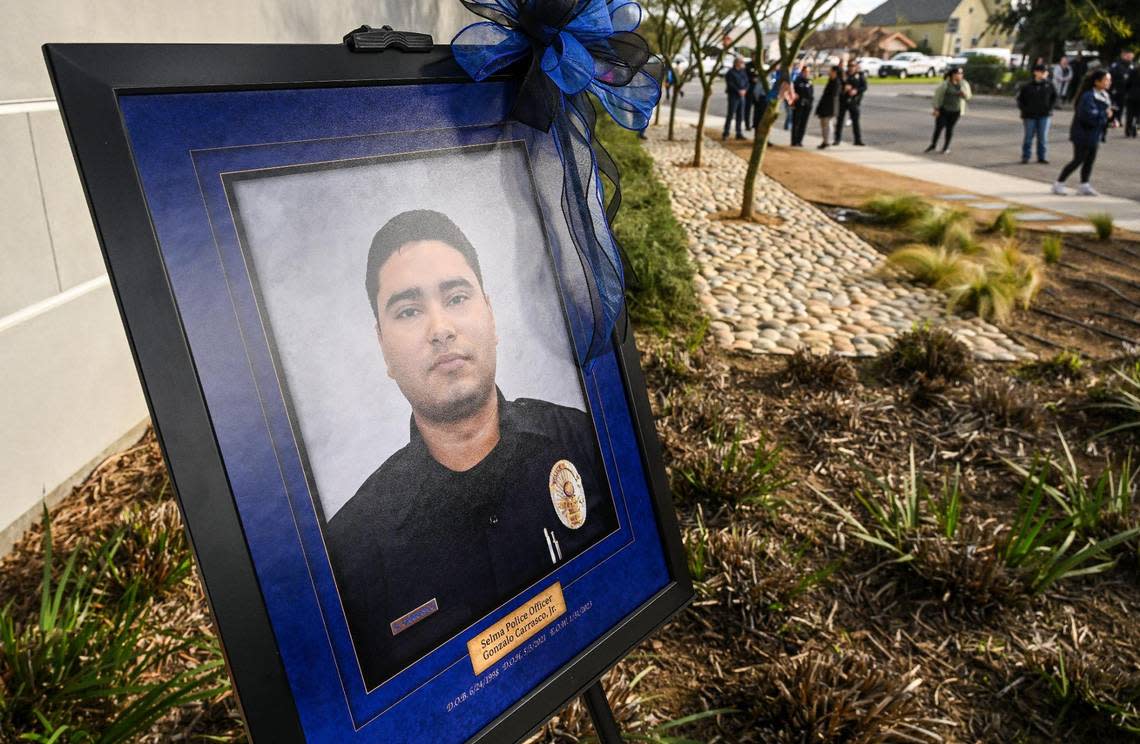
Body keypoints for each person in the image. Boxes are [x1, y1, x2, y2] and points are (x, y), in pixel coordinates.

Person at [326, 209, 618, 687]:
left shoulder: (588, 442)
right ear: (383, 349)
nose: (440, 328)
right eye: (408, 310)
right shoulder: (349, 551)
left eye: (457, 297)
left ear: (491, 315)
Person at [1053, 69, 1113, 196]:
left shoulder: (1105, 95)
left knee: (1090, 160)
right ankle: (1059, 183)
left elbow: (1104, 114)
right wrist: (1105, 115)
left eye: (1109, 80)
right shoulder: (1088, 96)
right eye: (1106, 80)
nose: (1109, 82)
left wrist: (1111, 120)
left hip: (1094, 134)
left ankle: (1084, 185)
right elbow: (1088, 116)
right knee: (1078, 159)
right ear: (1097, 82)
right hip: (1082, 134)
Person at [925, 67, 972, 154]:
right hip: (944, 110)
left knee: (950, 129)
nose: (960, 75)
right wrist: (936, 108)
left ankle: (946, 147)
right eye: (958, 73)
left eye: (961, 74)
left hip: (956, 111)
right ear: (952, 75)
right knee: (939, 127)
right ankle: (933, 144)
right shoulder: (945, 85)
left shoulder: (964, 84)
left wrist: (964, 94)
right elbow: (937, 97)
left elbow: (968, 97)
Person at [1017, 63, 1058, 163]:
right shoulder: (1027, 86)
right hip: (1030, 115)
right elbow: (1020, 99)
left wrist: (1050, 109)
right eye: (1042, 72)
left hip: (1044, 115)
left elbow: (1054, 98)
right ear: (1036, 72)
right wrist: (1024, 110)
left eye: (1045, 72)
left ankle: (1042, 156)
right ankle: (1026, 156)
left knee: (1042, 137)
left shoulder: (1049, 85)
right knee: (1028, 137)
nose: (1044, 74)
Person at [834, 59, 867, 145]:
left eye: (853, 66)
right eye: (849, 66)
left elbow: (864, 87)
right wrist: (844, 88)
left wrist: (856, 91)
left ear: (856, 67)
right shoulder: (844, 75)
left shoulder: (859, 75)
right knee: (840, 121)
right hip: (843, 100)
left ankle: (857, 140)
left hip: (854, 101)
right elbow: (837, 86)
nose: (851, 68)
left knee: (855, 121)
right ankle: (837, 139)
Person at [723, 57, 749, 140]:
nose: (742, 64)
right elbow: (730, 84)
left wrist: (745, 90)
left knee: (740, 115)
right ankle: (726, 132)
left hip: (742, 96)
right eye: (741, 62)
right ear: (736, 63)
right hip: (733, 95)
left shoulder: (743, 72)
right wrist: (738, 90)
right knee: (730, 114)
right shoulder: (730, 73)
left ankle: (739, 132)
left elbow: (747, 82)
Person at [814, 65, 840, 149]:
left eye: (830, 71)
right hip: (825, 106)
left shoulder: (836, 82)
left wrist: (831, 109)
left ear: (834, 72)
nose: (829, 72)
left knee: (828, 124)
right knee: (824, 124)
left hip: (829, 107)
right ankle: (825, 140)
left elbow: (833, 97)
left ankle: (827, 141)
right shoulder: (831, 81)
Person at [1109, 50, 1134, 132]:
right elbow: (1111, 76)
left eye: (1131, 57)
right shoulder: (1116, 65)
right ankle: (1112, 120)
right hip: (1116, 89)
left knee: (1121, 106)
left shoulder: (1132, 65)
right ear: (1123, 55)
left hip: (1125, 90)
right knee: (1114, 105)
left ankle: (1118, 120)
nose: (1130, 58)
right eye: (1128, 56)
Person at [790, 63, 814, 146]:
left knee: (803, 123)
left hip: (807, 105)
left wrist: (810, 103)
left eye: (808, 72)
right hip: (798, 104)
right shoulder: (797, 81)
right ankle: (794, 140)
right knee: (796, 123)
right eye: (805, 71)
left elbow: (811, 94)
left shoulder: (809, 81)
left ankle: (800, 140)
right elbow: (794, 92)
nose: (806, 73)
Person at [1125, 63, 1140, 138]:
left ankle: (1128, 130)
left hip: (1132, 95)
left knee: (1129, 114)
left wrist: (1127, 91)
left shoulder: (1133, 70)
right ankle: (1136, 126)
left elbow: (1127, 83)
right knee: (1138, 114)